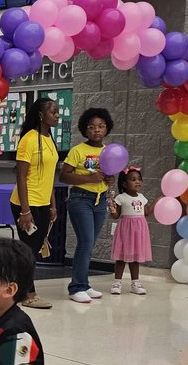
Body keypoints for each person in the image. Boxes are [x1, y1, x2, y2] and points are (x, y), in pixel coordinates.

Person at [59, 108, 114, 304]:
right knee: (85, 241)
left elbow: (110, 174)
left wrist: (109, 179)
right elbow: (64, 176)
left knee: (90, 243)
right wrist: (88, 178)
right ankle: (76, 287)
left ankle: (85, 283)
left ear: (107, 128)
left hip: (100, 199)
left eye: (100, 127)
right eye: (91, 127)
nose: (96, 131)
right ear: (85, 130)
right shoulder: (78, 151)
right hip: (80, 198)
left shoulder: (108, 151)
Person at [9, 97, 59, 309]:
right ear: (41, 115)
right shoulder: (29, 139)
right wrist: (25, 210)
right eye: (53, 112)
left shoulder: (49, 139)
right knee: (28, 251)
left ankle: (15, 287)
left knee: (33, 248)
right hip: (26, 203)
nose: (57, 115)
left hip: (43, 202)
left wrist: (53, 205)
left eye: (57, 112)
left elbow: (50, 175)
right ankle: (28, 294)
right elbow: (21, 176)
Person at [109, 167, 154, 295]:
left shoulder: (142, 197)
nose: (137, 182)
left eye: (139, 179)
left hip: (139, 230)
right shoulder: (121, 198)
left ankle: (135, 283)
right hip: (125, 229)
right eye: (133, 179)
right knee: (121, 257)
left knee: (135, 257)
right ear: (124, 183)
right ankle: (117, 282)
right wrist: (112, 208)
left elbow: (147, 212)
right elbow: (115, 215)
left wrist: (158, 201)